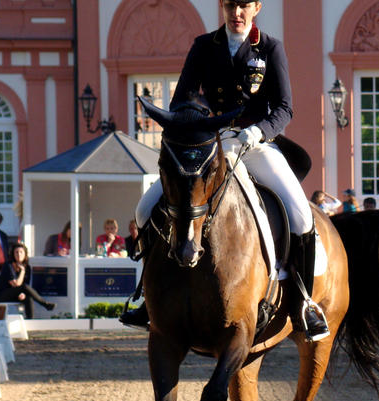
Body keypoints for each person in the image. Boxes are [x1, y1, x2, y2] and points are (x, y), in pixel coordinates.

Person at [124, 0, 329, 341]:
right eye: (231, 5)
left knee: (301, 216)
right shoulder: (204, 46)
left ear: (256, 7)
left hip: (256, 145)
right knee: (144, 209)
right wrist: (198, 120)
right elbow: (183, 98)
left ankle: (304, 303)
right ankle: (146, 297)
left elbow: (284, 108)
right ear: (223, 6)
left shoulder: (270, 48)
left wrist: (259, 130)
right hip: (211, 145)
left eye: (244, 5)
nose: (237, 12)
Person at [0, 242, 55, 318]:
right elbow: (17, 284)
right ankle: (44, 304)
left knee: (28, 298)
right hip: (4, 294)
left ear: (25, 254)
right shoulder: (8, 265)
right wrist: (22, 271)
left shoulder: (27, 267)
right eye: (16, 252)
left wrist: (23, 294)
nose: (19, 254)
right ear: (13, 254)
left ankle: (30, 321)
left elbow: (26, 284)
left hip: (18, 293)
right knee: (25, 287)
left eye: (21, 252)